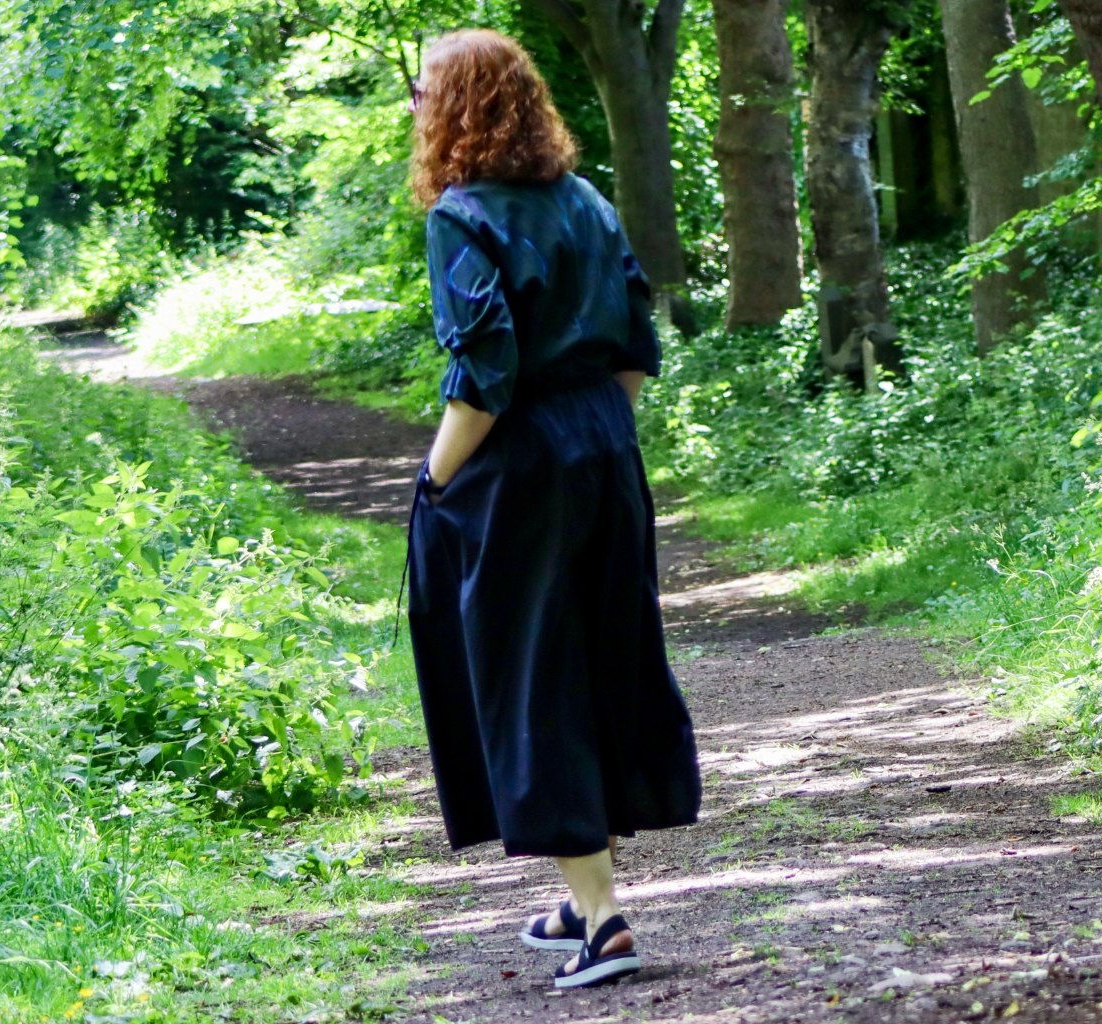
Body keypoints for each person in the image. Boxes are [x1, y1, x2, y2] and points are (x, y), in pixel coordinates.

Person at [403, 28, 703, 991]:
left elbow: (483, 377)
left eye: (423, 92)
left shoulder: (462, 215)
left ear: (455, 107)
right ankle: (580, 897)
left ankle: (606, 921)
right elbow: (632, 349)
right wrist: (596, 439)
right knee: (603, 656)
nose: (412, 106)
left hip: (520, 461)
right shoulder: (584, 199)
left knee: (531, 678)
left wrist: (437, 480)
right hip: (605, 449)